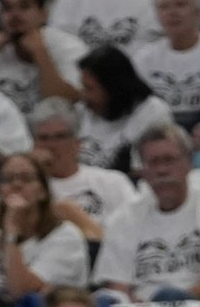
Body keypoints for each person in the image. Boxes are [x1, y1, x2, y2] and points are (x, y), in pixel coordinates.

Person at [96, 122, 200, 300]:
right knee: (103, 300)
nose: (162, 170)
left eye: (169, 160)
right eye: (153, 163)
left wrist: (167, 305)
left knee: (168, 296)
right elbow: (118, 289)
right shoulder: (123, 219)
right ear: (143, 171)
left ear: (189, 162)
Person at [0, 152, 89, 306]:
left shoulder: (66, 237)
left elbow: (23, 293)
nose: (16, 185)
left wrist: (12, 233)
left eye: (26, 178)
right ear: (0, 192)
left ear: (43, 191)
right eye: (8, 180)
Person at [26, 98, 137, 239]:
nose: (51, 146)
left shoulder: (114, 182)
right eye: (44, 138)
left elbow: (133, 229)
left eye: (60, 137)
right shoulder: (28, 187)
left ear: (77, 144)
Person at [0, 0, 85, 115]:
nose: (15, 14)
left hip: (54, 131)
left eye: (24, 6)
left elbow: (65, 103)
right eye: (7, 8)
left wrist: (40, 53)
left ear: (43, 14)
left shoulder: (69, 47)